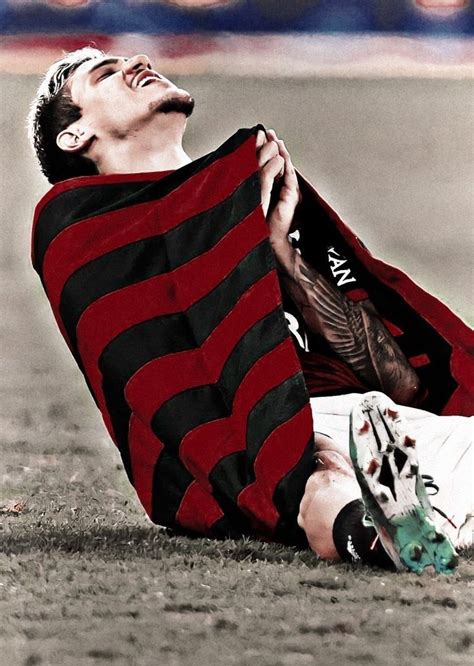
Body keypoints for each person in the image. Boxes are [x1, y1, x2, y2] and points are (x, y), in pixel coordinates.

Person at [28, 47, 473, 572]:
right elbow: (174, 391)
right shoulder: (77, 228)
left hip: (385, 429)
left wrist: (285, 260)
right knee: (316, 462)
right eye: (105, 74)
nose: (137, 61)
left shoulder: (242, 206)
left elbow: (402, 384)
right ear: (75, 136)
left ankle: (420, 518)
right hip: (255, 446)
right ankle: (373, 534)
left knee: (386, 442)